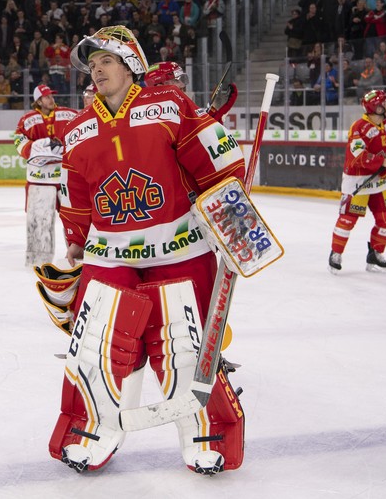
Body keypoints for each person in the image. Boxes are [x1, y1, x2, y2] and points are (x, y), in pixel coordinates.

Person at [49, 25, 246, 476]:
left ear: (131, 65)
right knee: (97, 346)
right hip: (109, 254)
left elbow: (213, 165)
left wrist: (234, 220)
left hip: (180, 247)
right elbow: (75, 194)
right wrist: (76, 240)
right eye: (92, 65)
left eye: (107, 62)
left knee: (186, 347)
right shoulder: (78, 131)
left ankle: (205, 435)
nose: (97, 71)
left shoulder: (169, 106)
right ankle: (92, 431)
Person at [328, 90, 386, 273]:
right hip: (357, 180)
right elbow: (358, 155)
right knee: (347, 219)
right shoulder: (359, 127)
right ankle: (336, 253)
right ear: (377, 107)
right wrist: (384, 162)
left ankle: (376, 254)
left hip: (379, 180)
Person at [13, 83, 78, 266]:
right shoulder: (28, 119)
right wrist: (35, 147)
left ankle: (79, 256)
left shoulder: (68, 114)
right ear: (38, 101)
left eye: (51, 96)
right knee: (39, 221)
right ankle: (38, 261)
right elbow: (19, 140)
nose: (51, 99)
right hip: (40, 179)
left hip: (66, 177)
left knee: (75, 218)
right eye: (47, 97)